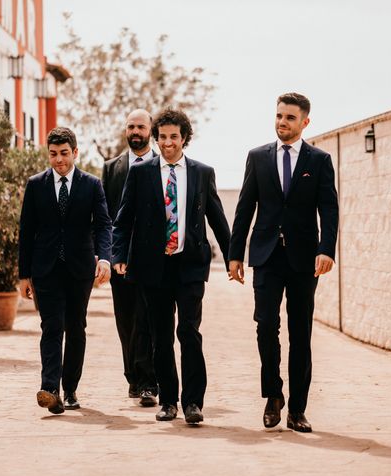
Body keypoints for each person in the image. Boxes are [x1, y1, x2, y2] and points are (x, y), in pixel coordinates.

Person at [228, 93, 339, 432]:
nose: (282, 122)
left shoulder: (319, 160)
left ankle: (298, 410)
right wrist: (235, 254)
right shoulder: (258, 157)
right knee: (265, 326)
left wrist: (326, 249)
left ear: (304, 122)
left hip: (304, 259)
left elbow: (329, 209)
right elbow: (245, 206)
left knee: (300, 333)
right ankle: (273, 394)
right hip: (266, 256)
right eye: (279, 116)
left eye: (290, 118)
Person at [113, 108, 231, 425]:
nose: (168, 143)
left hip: (190, 266)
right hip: (153, 268)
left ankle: (193, 402)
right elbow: (123, 219)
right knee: (161, 337)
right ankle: (169, 401)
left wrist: (234, 257)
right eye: (162, 137)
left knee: (189, 333)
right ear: (157, 137)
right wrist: (118, 254)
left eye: (173, 137)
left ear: (184, 138)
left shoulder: (203, 173)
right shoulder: (141, 173)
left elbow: (217, 219)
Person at [18, 127, 112, 414]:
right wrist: (24, 274)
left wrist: (104, 258)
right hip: (46, 270)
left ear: (75, 152)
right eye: (53, 154)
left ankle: (70, 389)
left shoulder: (92, 184)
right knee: (51, 327)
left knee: (76, 328)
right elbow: (26, 230)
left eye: (63, 153)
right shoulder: (36, 185)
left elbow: (104, 225)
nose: (58, 160)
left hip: (80, 269)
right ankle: (50, 389)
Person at [102, 109, 158, 407]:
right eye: (131, 126)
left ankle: (149, 381)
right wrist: (107, 256)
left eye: (141, 126)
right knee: (126, 321)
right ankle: (133, 378)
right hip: (119, 258)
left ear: (151, 130)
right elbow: (105, 216)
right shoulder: (111, 168)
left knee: (147, 319)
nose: (135, 131)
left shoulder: (163, 165)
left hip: (153, 259)